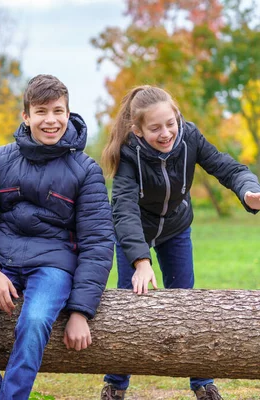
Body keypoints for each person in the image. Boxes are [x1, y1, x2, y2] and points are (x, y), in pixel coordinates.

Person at [0, 74, 115, 400]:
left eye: (57, 111)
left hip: (53, 264)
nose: (50, 120)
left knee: (34, 322)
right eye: (41, 112)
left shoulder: (86, 170)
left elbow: (98, 243)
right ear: (26, 116)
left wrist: (80, 311)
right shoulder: (0, 159)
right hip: (1, 260)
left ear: (68, 113)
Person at [100, 85, 260, 400]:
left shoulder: (190, 138)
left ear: (177, 117)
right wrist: (140, 261)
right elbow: (124, 211)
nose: (166, 133)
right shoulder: (128, 154)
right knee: (128, 306)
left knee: (186, 301)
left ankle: (202, 382)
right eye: (155, 128)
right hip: (136, 233)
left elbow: (228, 168)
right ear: (139, 130)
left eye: (170, 123)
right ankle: (115, 384)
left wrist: (248, 190)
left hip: (176, 228)